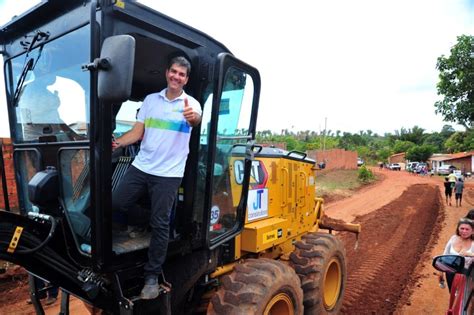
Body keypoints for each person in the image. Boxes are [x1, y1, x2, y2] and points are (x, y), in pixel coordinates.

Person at [112, 56, 202, 300]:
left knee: (161, 224)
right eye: (173, 72)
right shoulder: (151, 101)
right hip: (142, 166)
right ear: (167, 73)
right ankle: (145, 220)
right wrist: (117, 143)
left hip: (169, 174)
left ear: (186, 79)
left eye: (181, 74)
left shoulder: (191, 104)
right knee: (117, 202)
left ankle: (151, 276)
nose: (176, 77)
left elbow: (196, 120)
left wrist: (192, 117)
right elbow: (138, 132)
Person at [439, 218, 474, 292]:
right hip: (450, 272)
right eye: (462, 228)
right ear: (458, 229)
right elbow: (445, 254)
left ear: (472, 231)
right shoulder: (453, 238)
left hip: (467, 275)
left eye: (467, 229)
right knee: (452, 293)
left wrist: (470, 254)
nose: (464, 231)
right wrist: (441, 272)